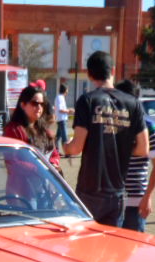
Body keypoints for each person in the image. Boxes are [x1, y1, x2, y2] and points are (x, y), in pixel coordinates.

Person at [62, 51, 148, 226]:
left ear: (89, 74)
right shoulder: (134, 104)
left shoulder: (87, 100)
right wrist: (118, 147)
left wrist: (66, 147)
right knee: (110, 246)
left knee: (84, 244)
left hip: (90, 189)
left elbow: (77, 147)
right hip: (116, 190)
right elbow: (143, 149)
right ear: (113, 71)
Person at [114, 80, 155, 232]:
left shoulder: (149, 126)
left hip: (136, 202)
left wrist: (148, 196)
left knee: (133, 249)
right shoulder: (112, 123)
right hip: (112, 200)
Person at [3, 85, 61, 169]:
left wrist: (53, 163)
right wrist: (39, 168)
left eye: (42, 104)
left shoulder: (44, 130)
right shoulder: (13, 130)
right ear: (23, 105)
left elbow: (54, 154)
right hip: (23, 180)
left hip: (45, 180)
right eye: (35, 103)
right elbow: (12, 161)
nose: (39, 107)